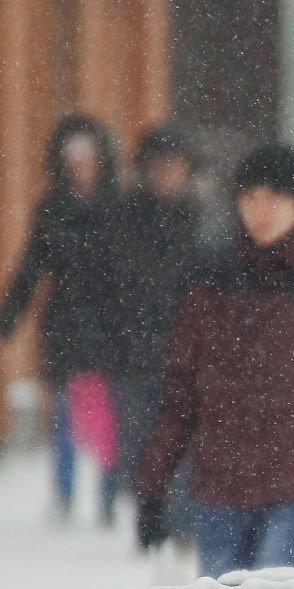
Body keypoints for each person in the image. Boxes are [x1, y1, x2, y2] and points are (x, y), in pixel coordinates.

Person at [134, 144, 294, 581]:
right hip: (222, 483)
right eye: (250, 198)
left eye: (274, 198)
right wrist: (153, 487)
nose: (261, 211)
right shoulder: (209, 283)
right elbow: (179, 395)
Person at [0, 115, 123, 522]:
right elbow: (30, 269)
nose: (82, 168)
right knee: (64, 412)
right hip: (65, 323)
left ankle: (108, 496)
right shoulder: (52, 210)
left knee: (108, 414)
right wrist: (5, 320)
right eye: (73, 160)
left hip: (114, 324)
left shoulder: (119, 208)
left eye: (88, 159)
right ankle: (64, 494)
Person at [105, 125, 202, 541]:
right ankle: (150, 515)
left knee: (184, 439)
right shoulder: (123, 219)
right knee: (141, 439)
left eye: (174, 166)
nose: (167, 174)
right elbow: (103, 284)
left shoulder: (205, 219)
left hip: (191, 352)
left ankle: (179, 523)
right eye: (159, 166)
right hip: (134, 351)